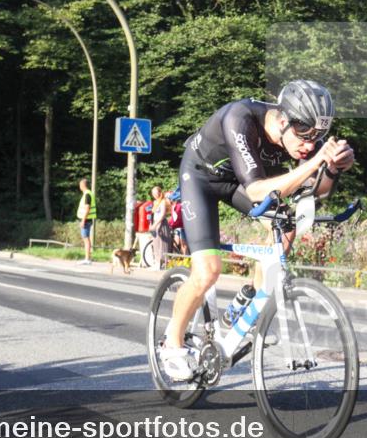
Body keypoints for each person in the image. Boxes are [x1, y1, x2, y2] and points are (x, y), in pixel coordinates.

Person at [159, 80, 355, 380]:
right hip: (200, 178)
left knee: (286, 225)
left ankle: (247, 300)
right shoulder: (240, 118)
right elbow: (256, 191)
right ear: (282, 120)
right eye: (304, 135)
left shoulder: (301, 138)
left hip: (237, 182)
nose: (309, 144)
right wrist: (316, 160)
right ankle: (172, 342)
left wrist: (332, 167)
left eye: (318, 137)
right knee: (208, 271)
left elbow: (319, 191)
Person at [150, 185, 172, 269]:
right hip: (155, 224)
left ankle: (162, 263)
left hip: (161, 223)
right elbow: (153, 214)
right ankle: (156, 262)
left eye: (156, 193)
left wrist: (156, 224)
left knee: (162, 243)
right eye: (153, 193)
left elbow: (162, 215)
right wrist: (151, 225)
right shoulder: (155, 202)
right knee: (155, 243)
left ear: (159, 192)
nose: (154, 195)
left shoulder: (163, 201)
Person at [76, 178, 96, 265]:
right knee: (86, 238)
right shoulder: (88, 194)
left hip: (86, 220)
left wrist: (83, 221)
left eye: (80, 184)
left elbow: (87, 208)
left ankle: (87, 259)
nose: (79, 186)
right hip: (87, 219)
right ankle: (87, 258)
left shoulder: (87, 194)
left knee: (86, 239)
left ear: (83, 185)